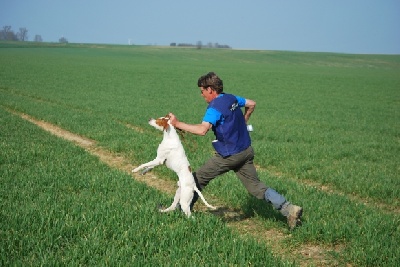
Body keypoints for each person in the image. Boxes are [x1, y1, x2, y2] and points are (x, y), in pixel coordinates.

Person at [168, 72, 303, 230]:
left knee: (196, 179)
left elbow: (202, 130)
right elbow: (252, 104)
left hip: (228, 155)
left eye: (202, 90)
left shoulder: (214, 107)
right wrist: (244, 120)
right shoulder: (231, 98)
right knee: (256, 187)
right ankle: (289, 209)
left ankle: (181, 211)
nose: (201, 94)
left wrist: (177, 123)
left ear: (210, 89)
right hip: (245, 151)